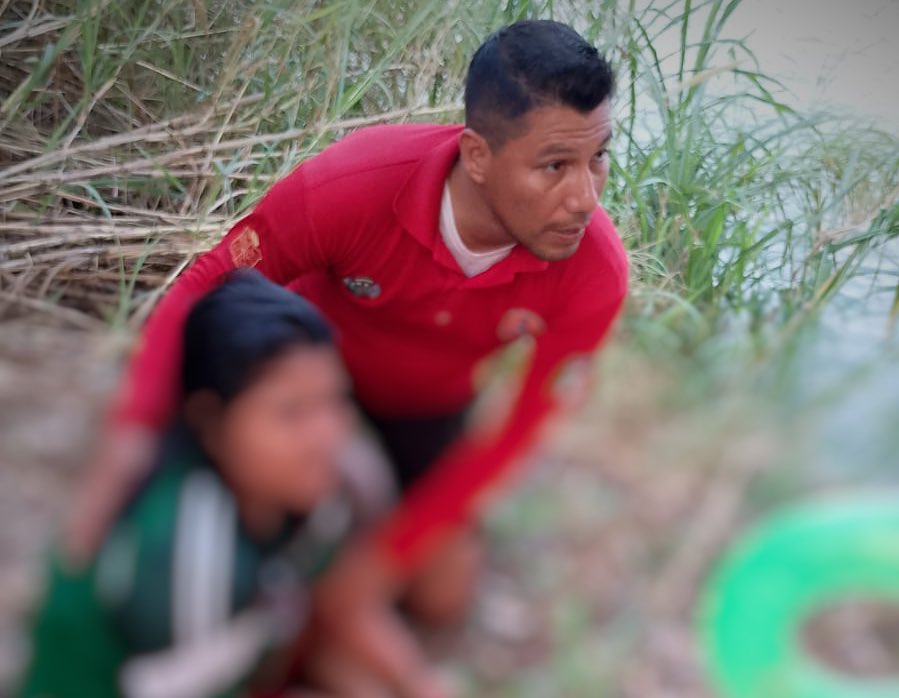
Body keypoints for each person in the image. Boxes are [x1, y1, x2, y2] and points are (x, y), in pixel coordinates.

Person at [67, 19, 628, 635]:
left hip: (426, 411)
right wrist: (136, 425)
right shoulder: (355, 186)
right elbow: (206, 281)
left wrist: (386, 561)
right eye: (555, 166)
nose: (585, 198)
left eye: (597, 157)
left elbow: (521, 426)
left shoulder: (593, 271)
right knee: (213, 535)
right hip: (304, 379)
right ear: (476, 156)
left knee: (440, 594)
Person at [19, 272, 446, 698]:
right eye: (291, 413)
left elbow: (332, 598)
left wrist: (420, 684)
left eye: (334, 399)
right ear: (211, 421)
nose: (328, 436)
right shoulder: (182, 555)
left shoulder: (312, 493)